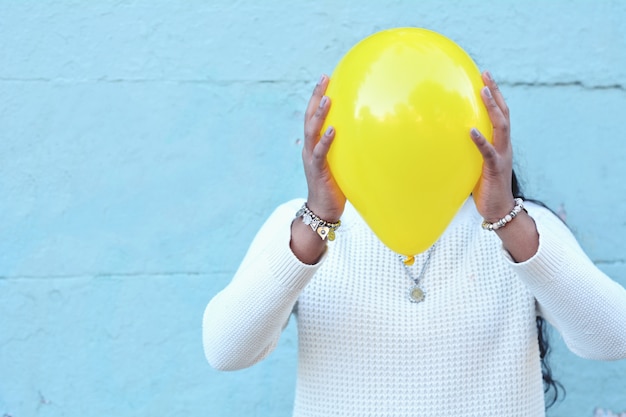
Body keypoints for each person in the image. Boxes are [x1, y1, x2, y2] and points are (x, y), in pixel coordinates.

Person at [203, 71, 626, 416]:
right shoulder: (299, 228)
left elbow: (614, 338)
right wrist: (317, 222)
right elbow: (226, 350)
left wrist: (505, 219)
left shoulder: (521, 230)